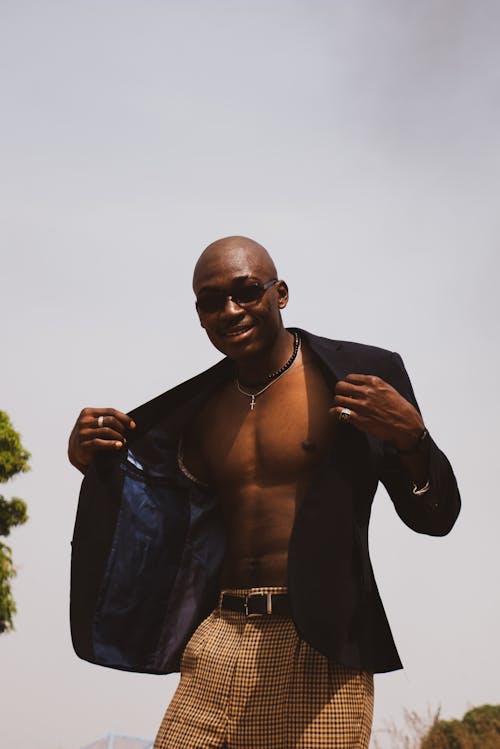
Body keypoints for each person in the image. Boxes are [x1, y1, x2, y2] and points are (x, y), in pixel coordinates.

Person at [68, 236, 460, 749]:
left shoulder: (360, 376)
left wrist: (413, 438)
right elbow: (152, 512)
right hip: (218, 638)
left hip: (320, 647)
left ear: (281, 293)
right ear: (200, 316)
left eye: (246, 291)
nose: (230, 310)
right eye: (211, 302)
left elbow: (436, 516)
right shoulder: (199, 408)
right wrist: (93, 464)